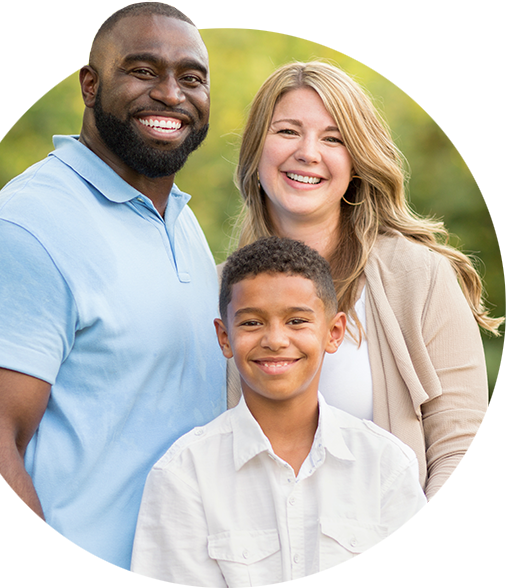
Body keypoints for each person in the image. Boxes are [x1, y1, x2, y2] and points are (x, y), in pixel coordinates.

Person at [0, 3, 225, 588]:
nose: (172, 94)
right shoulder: (26, 228)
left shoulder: (179, 220)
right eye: (143, 71)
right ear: (90, 84)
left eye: (191, 77)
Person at [227, 60, 501, 587]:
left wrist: (407, 576)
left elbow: (463, 451)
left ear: (356, 160)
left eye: (333, 138)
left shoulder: (418, 276)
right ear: (257, 149)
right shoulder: (218, 292)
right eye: (287, 131)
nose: (308, 152)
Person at [129, 236, 428, 588]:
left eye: (297, 321)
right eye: (252, 323)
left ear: (333, 333)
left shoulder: (386, 465)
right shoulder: (184, 475)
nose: (274, 339)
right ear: (224, 338)